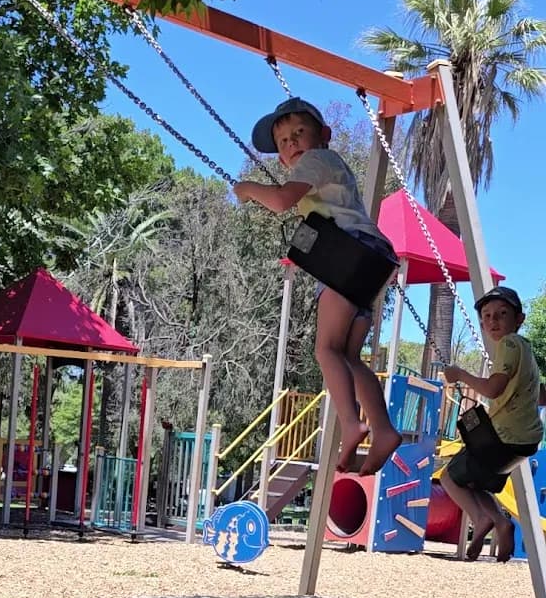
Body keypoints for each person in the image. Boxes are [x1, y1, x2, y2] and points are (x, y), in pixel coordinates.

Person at [233, 97, 401, 475]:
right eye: (283, 142)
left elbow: (279, 201)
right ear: (280, 157)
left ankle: (352, 423)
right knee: (349, 356)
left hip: (347, 257)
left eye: (298, 133)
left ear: (323, 136)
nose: (291, 143)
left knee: (325, 349)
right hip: (372, 261)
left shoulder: (317, 161)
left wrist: (246, 188)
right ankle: (384, 429)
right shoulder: (326, 170)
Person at [442, 286, 545, 563]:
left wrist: (461, 374)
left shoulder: (509, 344)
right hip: (524, 442)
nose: (493, 321)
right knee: (477, 485)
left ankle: (480, 519)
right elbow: (539, 392)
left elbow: (494, 389)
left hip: (504, 436)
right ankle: (500, 522)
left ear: (519, 320)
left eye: (501, 314)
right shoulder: (525, 351)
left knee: (448, 478)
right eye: (486, 316)